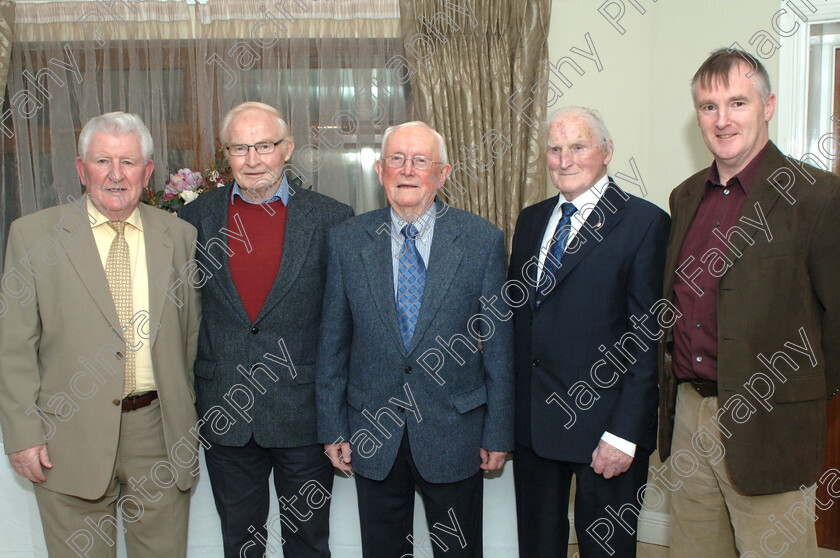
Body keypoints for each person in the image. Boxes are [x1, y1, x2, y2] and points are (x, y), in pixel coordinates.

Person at [659, 48, 840, 557]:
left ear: (768, 106)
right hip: (691, 415)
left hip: (770, 422)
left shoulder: (818, 197)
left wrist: (801, 397)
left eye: (738, 102)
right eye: (708, 106)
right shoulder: (685, 196)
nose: (723, 119)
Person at [0, 111, 201, 557]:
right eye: (102, 161)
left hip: (160, 436)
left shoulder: (180, 236)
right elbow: (12, 346)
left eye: (128, 162)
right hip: (66, 437)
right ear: (80, 168)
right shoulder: (33, 236)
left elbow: (189, 340)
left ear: (148, 172)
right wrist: (22, 433)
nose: (115, 175)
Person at [316, 121, 514, 558]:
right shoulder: (348, 241)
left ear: (442, 174)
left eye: (420, 160)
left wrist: (498, 431)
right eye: (396, 159)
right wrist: (332, 427)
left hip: (455, 430)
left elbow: (498, 346)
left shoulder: (481, 240)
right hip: (373, 430)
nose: (407, 170)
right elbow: (334, 341)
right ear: (380, 170)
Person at [178, 101, 353, 558]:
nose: (253, 159)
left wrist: (340, 414)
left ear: (287, 149)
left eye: (265, 146)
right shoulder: (194, 221)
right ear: (226, 154)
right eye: (240, 148)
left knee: (309, 542)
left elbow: (342, 324)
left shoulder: (333, 219)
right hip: (225, 412)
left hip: (303, 413)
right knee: (239, 541)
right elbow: (182, 316)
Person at [508, 106, 669, 557]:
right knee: (538, 548)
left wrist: (625, 434)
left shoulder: (644, 223)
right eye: (555, 149)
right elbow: (520, 320)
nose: (565, 160)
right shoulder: (531, 220)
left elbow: (646, 339)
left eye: (578, 147)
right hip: (535, 427)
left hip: (605, 430)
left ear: (606, 152)